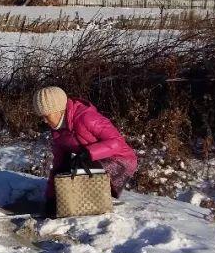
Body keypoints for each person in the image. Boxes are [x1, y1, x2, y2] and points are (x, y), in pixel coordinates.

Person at [33, 86, 137, 215]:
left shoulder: (86, 117)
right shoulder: (57, 131)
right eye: (41, 117)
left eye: (46, 116)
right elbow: (58, 166)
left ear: (58, 110)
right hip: (92, 160)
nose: (44, 121)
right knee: (66, 167)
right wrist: (51, 198)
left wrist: (88, 152)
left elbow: (117, 143)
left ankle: (102, 203)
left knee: (85, 176)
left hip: (120, 160)